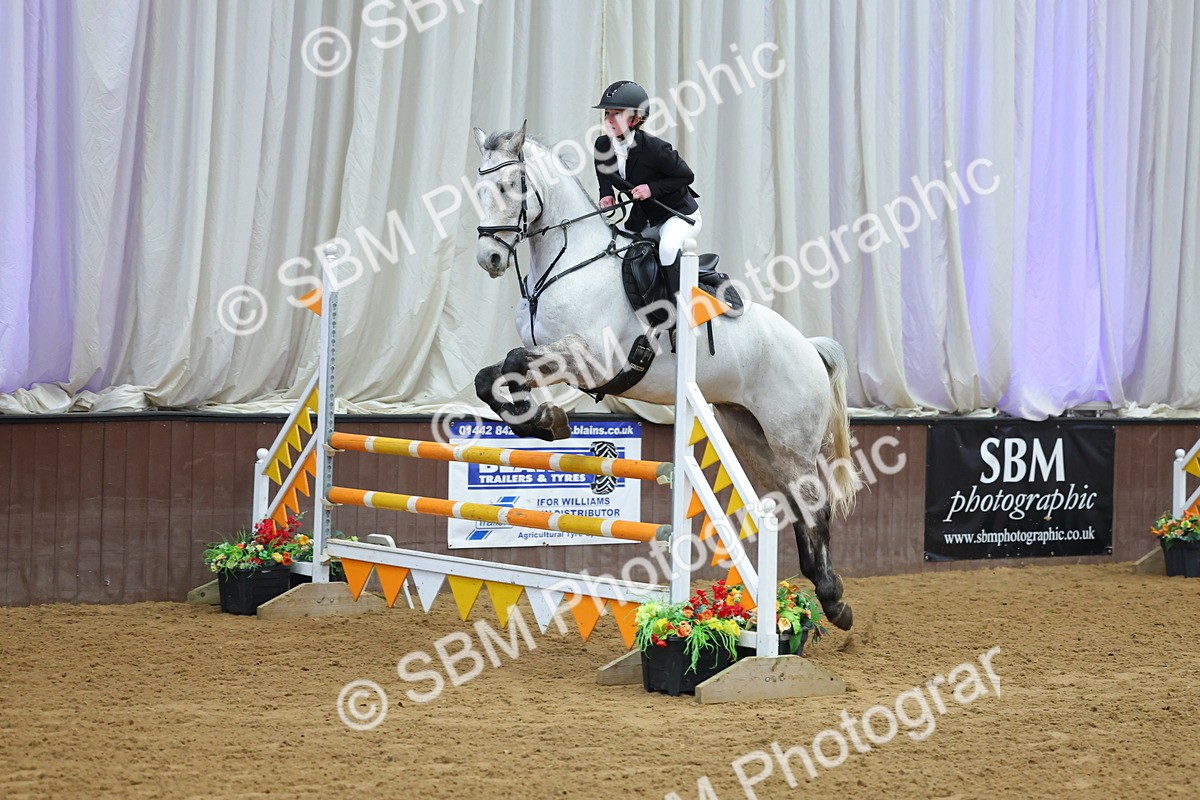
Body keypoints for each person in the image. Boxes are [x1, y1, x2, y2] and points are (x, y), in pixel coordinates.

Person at [592, 80, 702, 275]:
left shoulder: (656, 149)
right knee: (619, 254)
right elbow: (603, 171)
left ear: (634, 120)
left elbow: (687, 176)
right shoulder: (602, 145)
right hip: (643, 219)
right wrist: (606, 193)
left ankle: (678, 303)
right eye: (607, 114)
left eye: (616, 114)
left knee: (667, 249)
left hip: (677, 214)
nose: (608, 119)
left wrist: (651, 189)